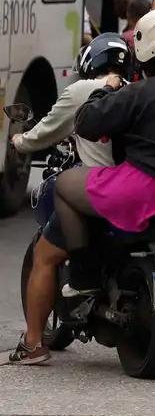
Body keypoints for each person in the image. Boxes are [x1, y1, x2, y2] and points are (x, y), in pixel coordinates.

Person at [55, 10, 155, 296]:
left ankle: (84, 275)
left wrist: (104, 90)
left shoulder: (137, 92)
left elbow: (87, 123)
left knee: (64, 185)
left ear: (143, 48)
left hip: (144, 192)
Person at [7, 34, 127, 365]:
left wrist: (18, 141)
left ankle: (33, 345)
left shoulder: (81, 92)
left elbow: (45, 132)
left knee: (45, 256)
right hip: (135, 191)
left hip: (95, 190)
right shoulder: (136, 91)